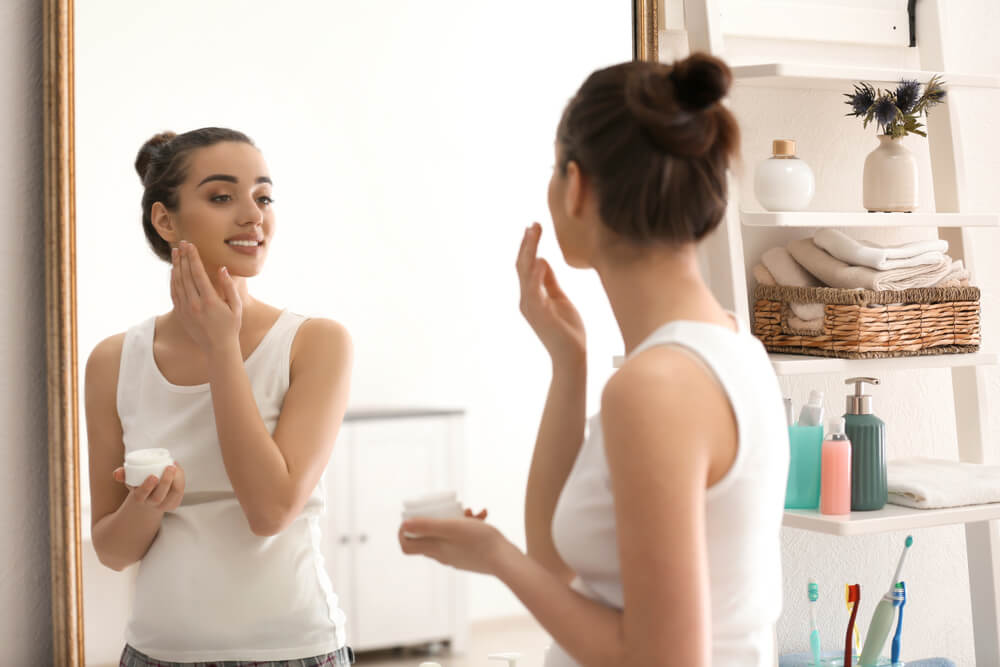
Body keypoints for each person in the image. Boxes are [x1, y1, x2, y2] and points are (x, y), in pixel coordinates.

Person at [398, 54, 789, 666]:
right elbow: (559, 562)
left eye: (555, 171)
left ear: (576, 186)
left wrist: (496, 558)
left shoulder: (656, 387)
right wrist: (569, 362)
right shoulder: (732, 348)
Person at [84, 127, 355, 666]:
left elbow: (271, 510)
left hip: (293, 653)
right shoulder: (114, 360)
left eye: (264, 196)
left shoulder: (316, 343)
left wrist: (221, 347)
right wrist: (146, 506)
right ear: (165, 219)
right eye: (222, 196)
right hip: (156, 654)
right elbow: (112, 550)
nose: (253, 215)